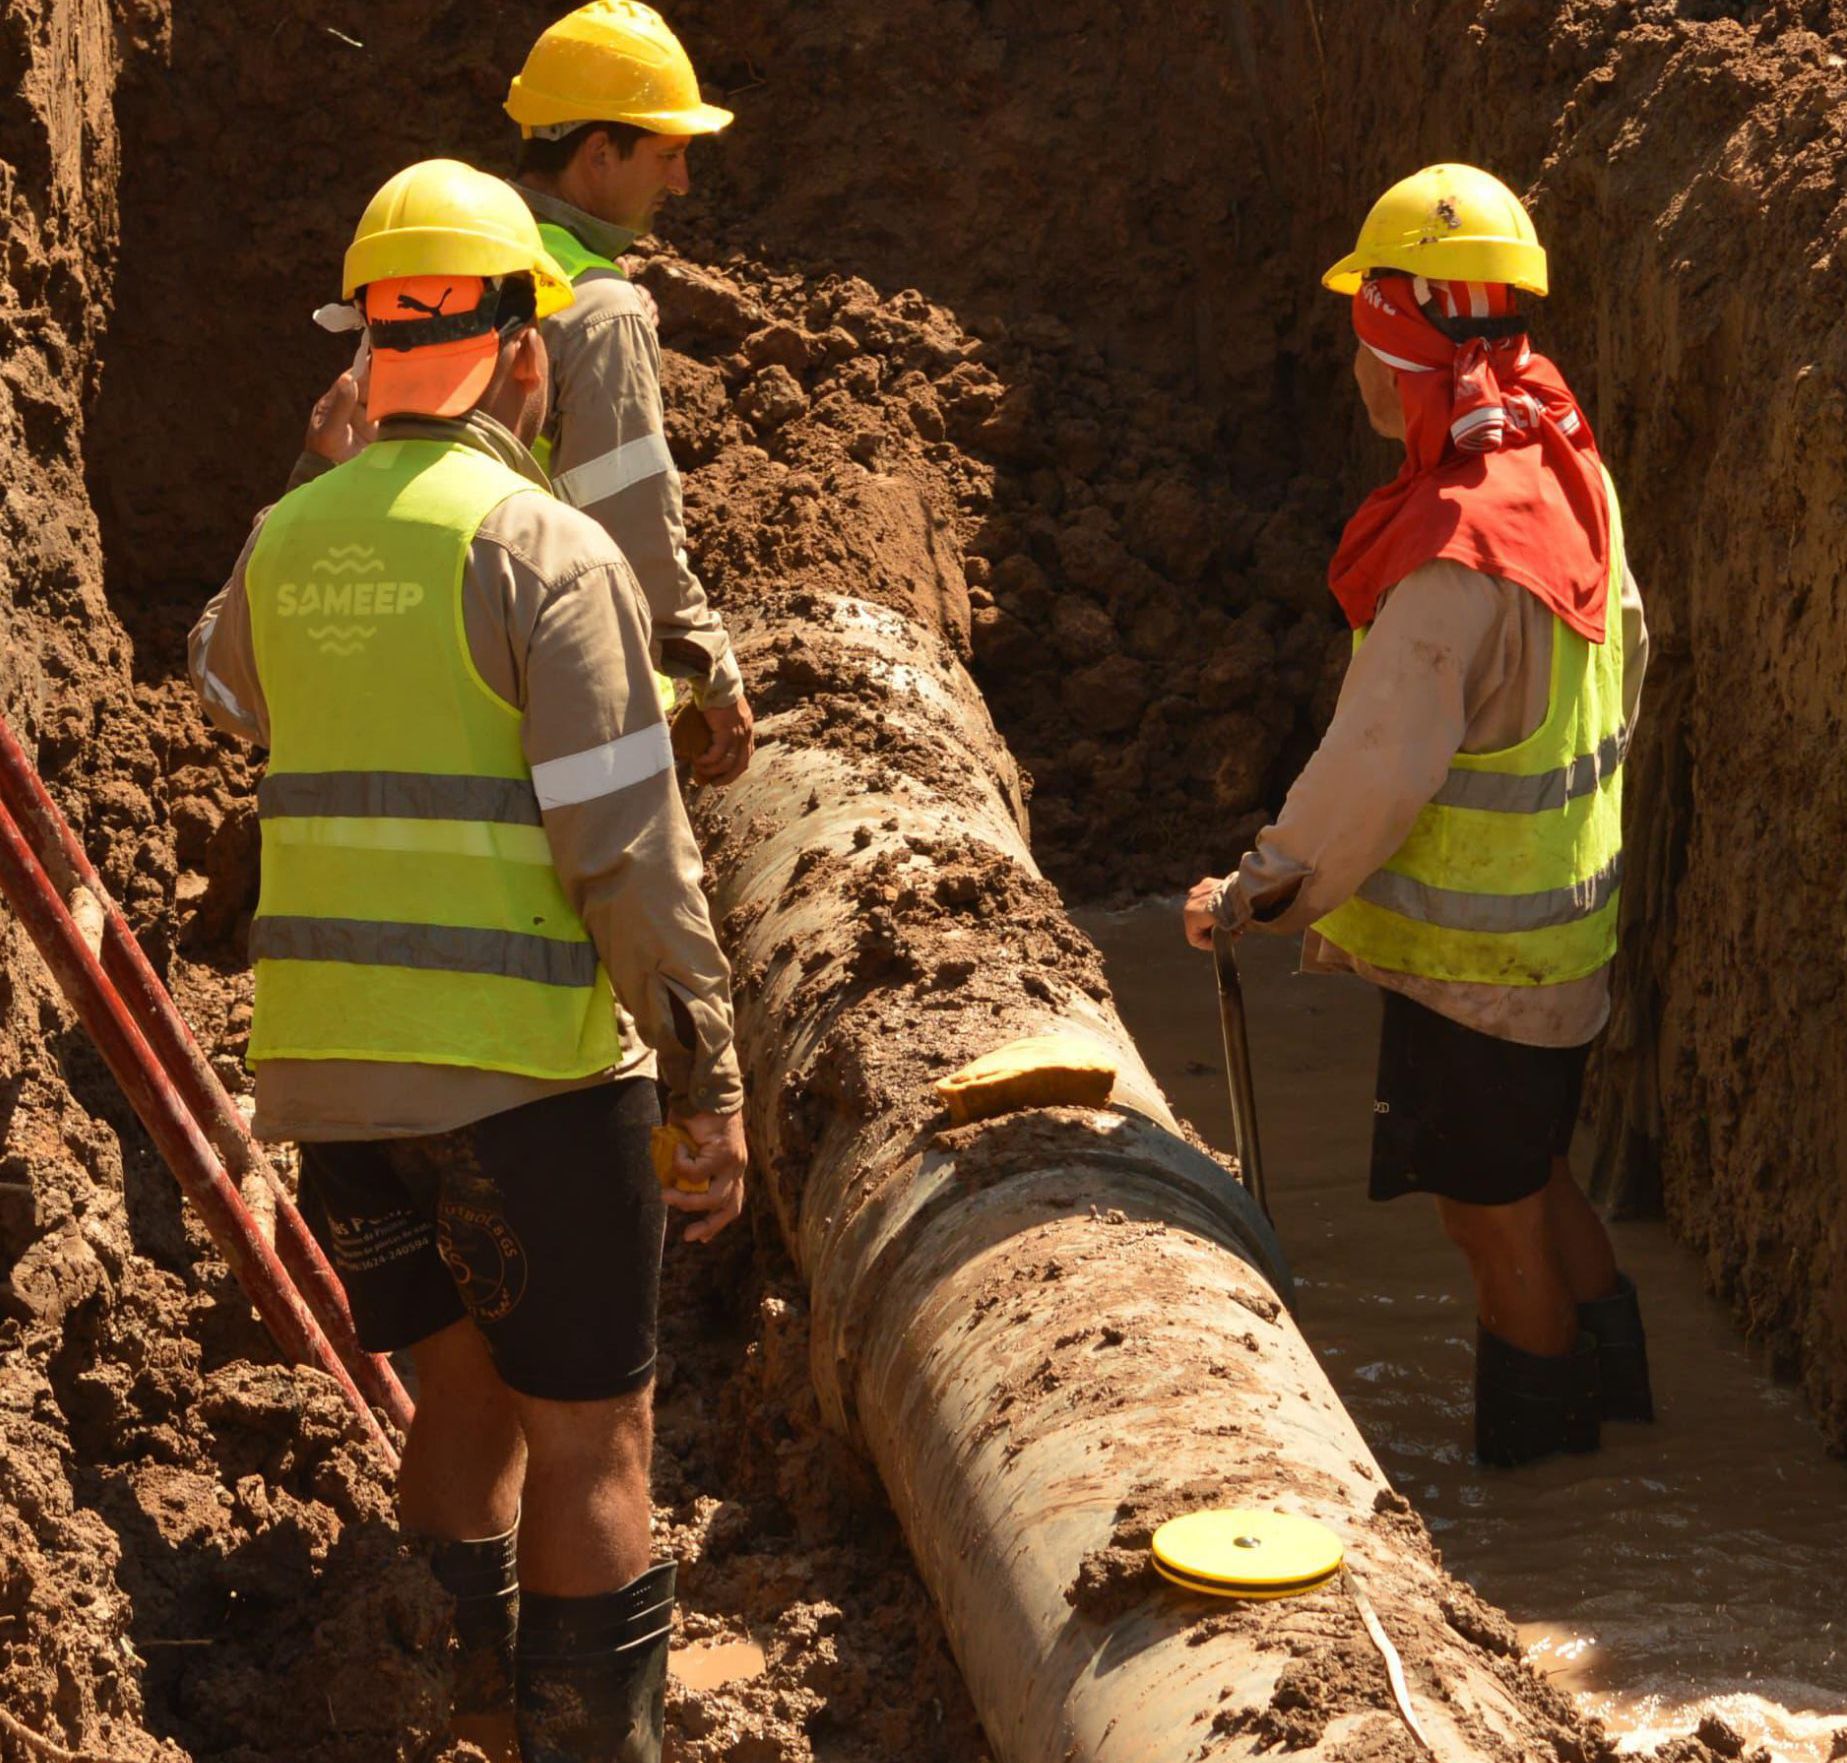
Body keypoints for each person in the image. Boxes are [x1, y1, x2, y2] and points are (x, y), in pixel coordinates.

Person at [189, 158, 748, 1762]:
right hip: (531, 1075)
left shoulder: (289, 537)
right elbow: (624, 851)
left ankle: (457, 1724)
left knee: (462, 1394)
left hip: (337, 1079)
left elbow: (228, 689)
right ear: (524, 356)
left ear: (365, 345)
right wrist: (706, 1079)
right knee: (594, 1436)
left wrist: (320, 476)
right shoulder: (545, 550)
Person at [1183, 164, 1653, 1469]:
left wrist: (1253, 892)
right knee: (1539, 1176)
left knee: (1488, 1227)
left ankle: (1544, 1502)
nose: (1353, 368)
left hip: (1475, 972)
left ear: (1396, 347)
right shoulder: (1568, 470)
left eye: (1360, 338)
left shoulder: (1452, 556)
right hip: (1564, 937)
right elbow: (1626, 658)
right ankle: (1625, 1424)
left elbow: (1370, 771)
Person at [504, 0, 756, 786]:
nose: (680, 181)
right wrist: (707, 668)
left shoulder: (445, 257)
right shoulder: (597, 306)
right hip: (557, 691)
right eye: (668, 153)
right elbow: (629, 525)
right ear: (601, 153)